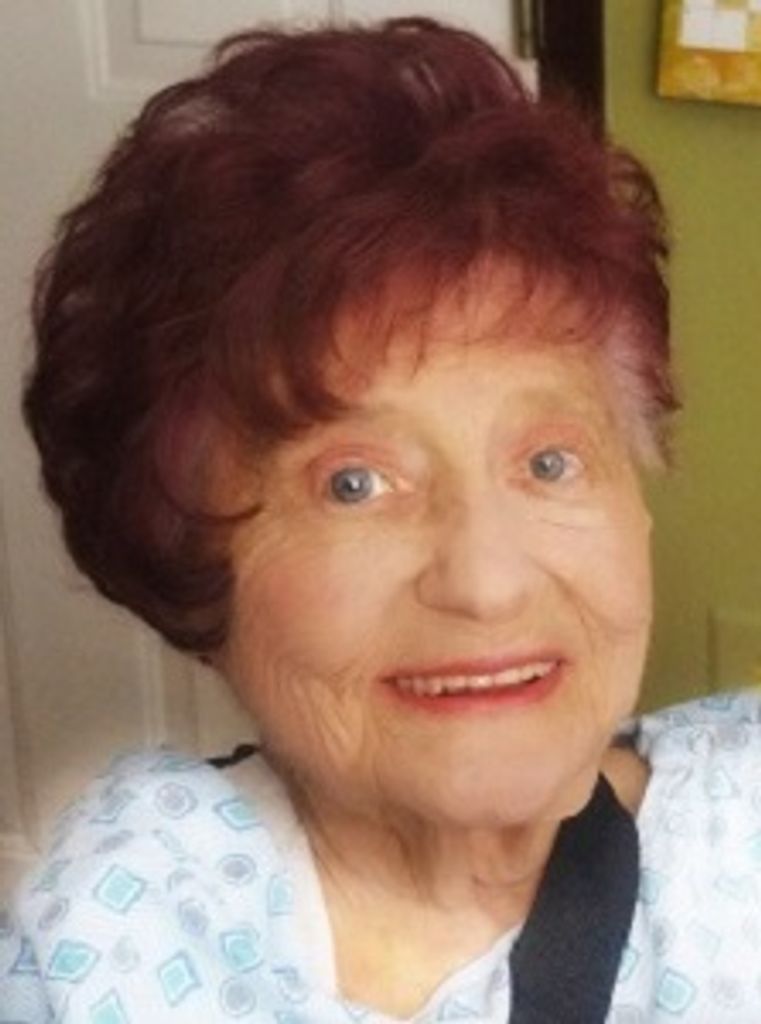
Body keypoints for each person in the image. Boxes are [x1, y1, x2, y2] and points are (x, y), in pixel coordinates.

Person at [1, 16, 759, 1024]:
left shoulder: (739, 838)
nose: (486, 581)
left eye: (548, 462)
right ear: (189, 557)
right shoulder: (113, 941)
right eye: (353, 484)